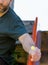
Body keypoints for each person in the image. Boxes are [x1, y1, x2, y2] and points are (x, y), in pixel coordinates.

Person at [0, 0, 41, 65]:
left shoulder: (13, 21)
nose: (1, 2)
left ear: (11, 0)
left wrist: (32, 49)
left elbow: (25, 38)